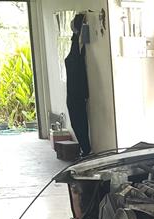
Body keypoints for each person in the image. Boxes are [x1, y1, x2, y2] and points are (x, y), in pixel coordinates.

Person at [65, 13, 91, 157]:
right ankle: (85, 149)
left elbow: (75, 45)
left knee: (79, 123)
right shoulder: (76, 51)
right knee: (79, 124)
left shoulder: (76, 52)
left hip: (76, 95)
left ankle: (86, 149)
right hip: (75, 95)